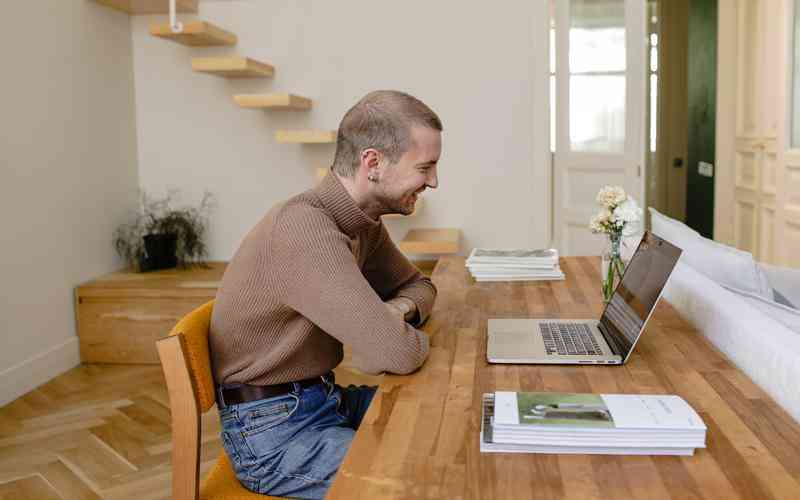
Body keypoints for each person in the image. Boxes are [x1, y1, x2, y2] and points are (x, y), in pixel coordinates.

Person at [209, 90, 443, 499]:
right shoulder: (304, 229)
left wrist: (397, 308)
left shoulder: (361, 223)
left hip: (320, 399)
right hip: (274, 432)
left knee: (446, 416)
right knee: (417, 477)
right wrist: (390, 329)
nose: (434, 181)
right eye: (425, 167)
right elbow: (394, 354)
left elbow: (421, 287)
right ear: (373, 163)